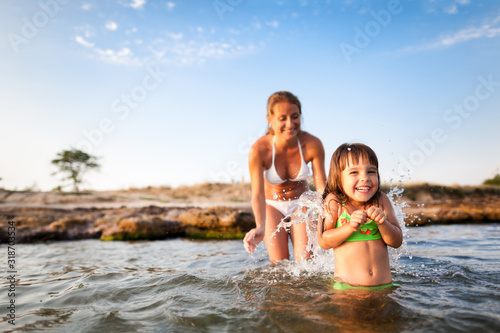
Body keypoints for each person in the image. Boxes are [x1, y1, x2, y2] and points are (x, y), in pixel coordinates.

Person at [243, 91, 326, 262]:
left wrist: (329, 216)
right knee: (279, 266)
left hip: (302, 203)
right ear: (269, 119)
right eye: (282, 118)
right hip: (272, 206)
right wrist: (260, 226)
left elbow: (322, 188)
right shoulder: (259, 150)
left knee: (305, 266)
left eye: (294, 116)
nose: (290, 124)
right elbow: (257, 194)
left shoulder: (312, 144)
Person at [317, 143, 403, 290]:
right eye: (354, 172)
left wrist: (383, 224)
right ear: (338, 177)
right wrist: (350, 227)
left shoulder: (381, 200)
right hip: (347, 289)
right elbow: (324, 241)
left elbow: (396, 241)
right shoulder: (334, 201)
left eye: (371, 171)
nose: (365, 178)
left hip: (384, 287)